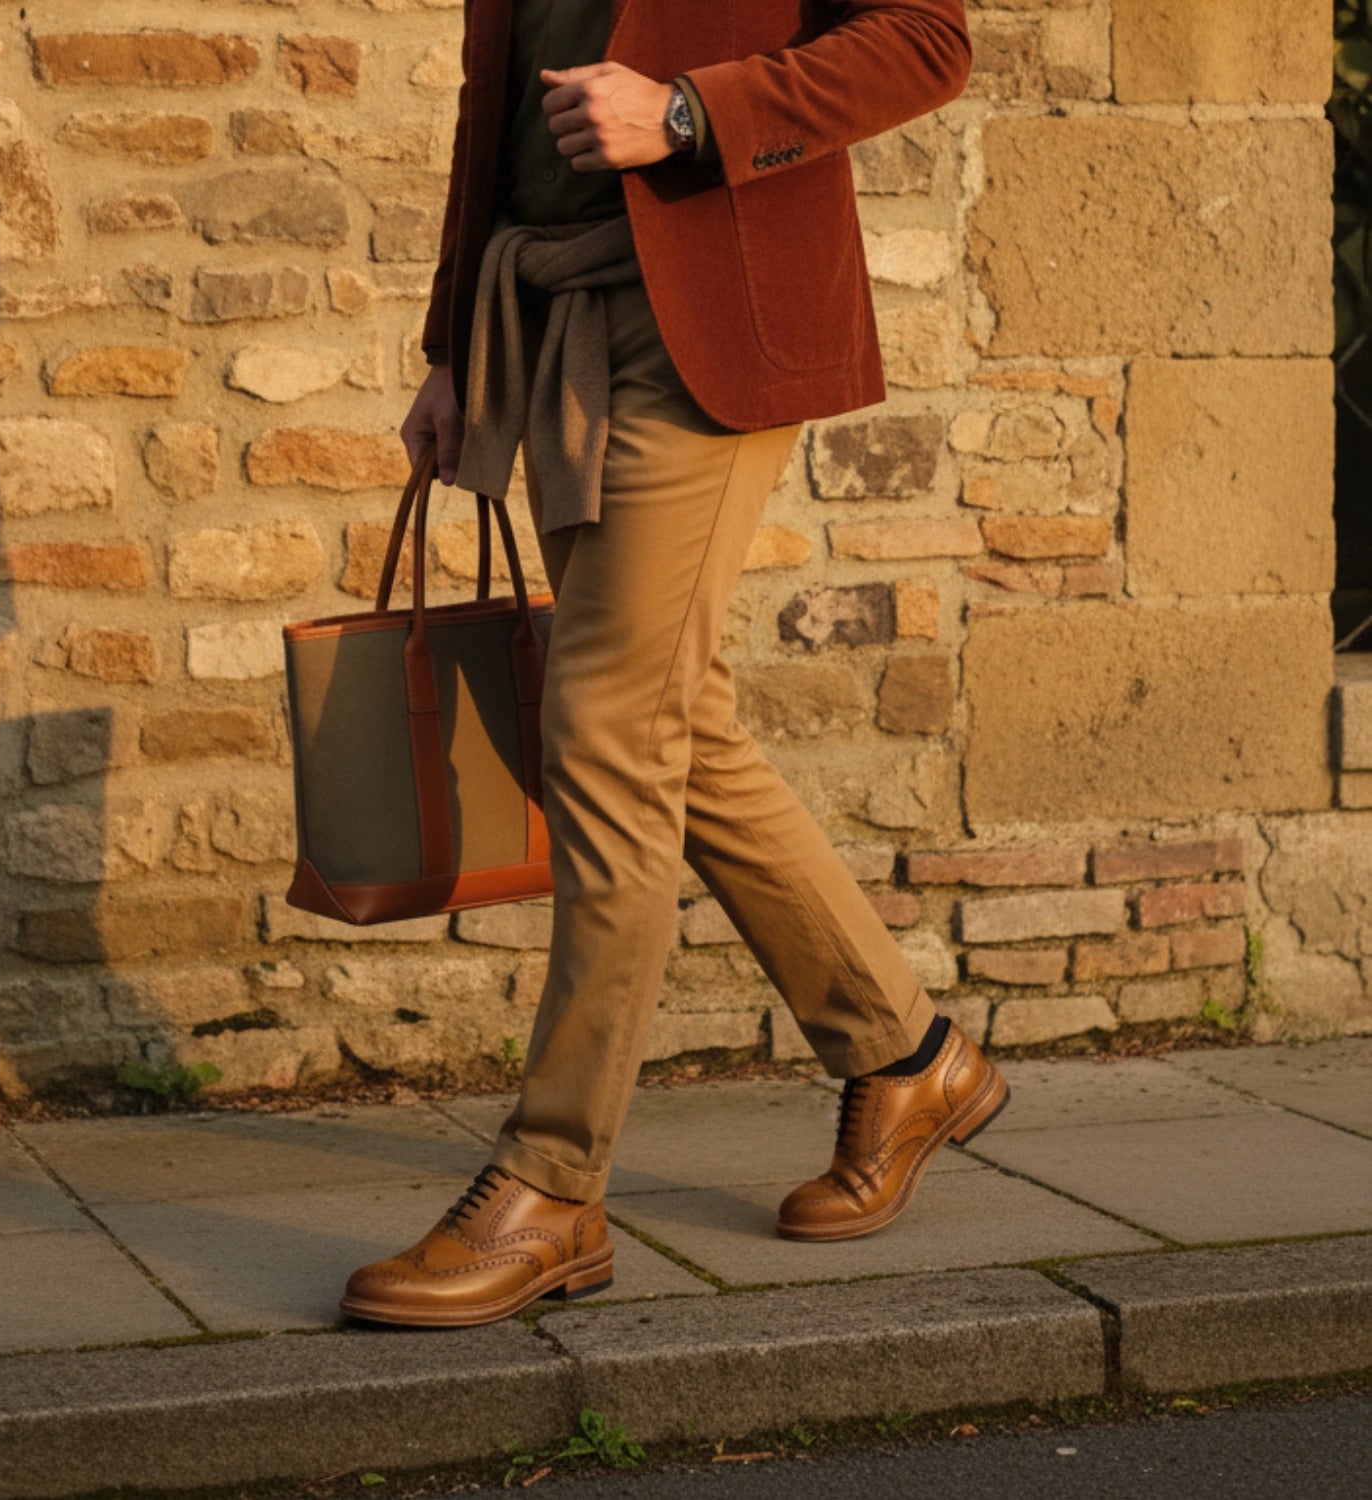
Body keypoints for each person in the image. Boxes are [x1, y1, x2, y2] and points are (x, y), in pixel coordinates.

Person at [340, 0, 1007, 1329]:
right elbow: (497, 109)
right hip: (551, 314)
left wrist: (689, 112)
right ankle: (909, 1054)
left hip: (705, 320)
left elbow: (929, 38)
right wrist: (443, 350)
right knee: (668, 721)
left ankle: (553, 1185)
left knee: (602, 729)